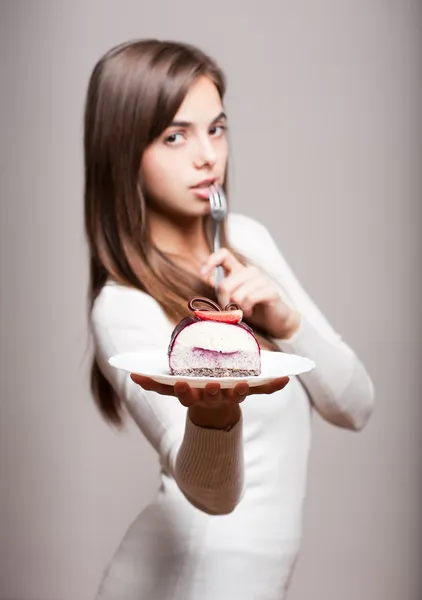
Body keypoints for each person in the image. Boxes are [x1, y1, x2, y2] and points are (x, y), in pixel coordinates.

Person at [84, 39, 375, 600]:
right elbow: (212, 498)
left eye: (216, 128)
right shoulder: (124, 306)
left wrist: (287, 320)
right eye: (175, 136)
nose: (207, 156)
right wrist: (213, 420)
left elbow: (356, 406)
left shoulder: (248, 241)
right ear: (123, 152)